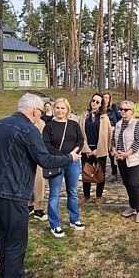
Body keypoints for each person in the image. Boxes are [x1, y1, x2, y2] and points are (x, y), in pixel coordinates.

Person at [0, 93, 81, 278]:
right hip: (11, 191)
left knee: (4, 237)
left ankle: (9, 275)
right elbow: (45, 160)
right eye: (40, 113)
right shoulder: (28, 129)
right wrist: (70, 158)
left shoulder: (0, 124)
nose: (40, 117)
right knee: (16, 239)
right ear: (35, 111)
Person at [42, 98, 85, 237]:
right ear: (54, 109)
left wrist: (73, 153)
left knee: (72, 192)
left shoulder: (73, 124)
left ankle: (74, 219)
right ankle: (55, 224)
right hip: (56, 162)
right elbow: (46, 144)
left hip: (73, 163)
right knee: (54, 194)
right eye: (58, 108)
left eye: (63, 108)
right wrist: (63, 156)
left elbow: (80, 139)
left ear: (67, 110)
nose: (60, 110)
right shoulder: (49, 126)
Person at [112, 100, 139, 222]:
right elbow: (113, 139)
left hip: (133, 159)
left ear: (132, 111)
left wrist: (127, 154)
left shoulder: (136, 124)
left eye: (126, 110)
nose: (123, 112)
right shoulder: (118, 124)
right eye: (121, 109)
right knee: (127, 183)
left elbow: (138, 141)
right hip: (120, 158)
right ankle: (132, 206)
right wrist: (115, 151)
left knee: (133, 184)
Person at [80, 93, 113, 206]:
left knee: (100, 173)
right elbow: (80, 133)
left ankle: (98, 196)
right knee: (86, 172)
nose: (94, 103)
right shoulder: (84, 116)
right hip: (87, 149)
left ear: (101, 105)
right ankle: (86, 195)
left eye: (97, 102)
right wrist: (87, 149)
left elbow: (108, 134)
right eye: (93, 101)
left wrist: (101, 150)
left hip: (100, 149)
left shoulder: (104, 117)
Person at [29, 117, 48, 220]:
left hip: (37, 155)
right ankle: (28, 205)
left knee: (39, 182)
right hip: (24, 156)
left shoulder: (41, 123)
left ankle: (38, 207)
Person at [103, 92, 121, 182]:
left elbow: (119, 118)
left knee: (112, 154)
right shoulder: (100, 108)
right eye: (104, 97)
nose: (105, 99)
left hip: (112, 132)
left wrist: (116, 126)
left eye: (107, 97)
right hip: (102, 134)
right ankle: (100, 172)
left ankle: (114, 173)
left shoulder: (114, 107)